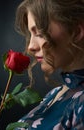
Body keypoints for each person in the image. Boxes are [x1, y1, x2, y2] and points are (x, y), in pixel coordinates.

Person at [15, 0, 84, 129]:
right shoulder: (56, 93)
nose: (30, 46)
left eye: (40, 33)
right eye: (31, 34)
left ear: (76, 31)